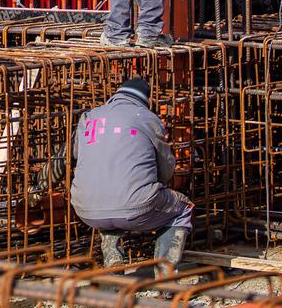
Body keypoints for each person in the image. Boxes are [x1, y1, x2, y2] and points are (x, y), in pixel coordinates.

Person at [70, 76, 192, 271]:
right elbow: (166, 169)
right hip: (135, 205)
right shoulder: (148, 118)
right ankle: (166, 279)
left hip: (85, 208)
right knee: (182, 208)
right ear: (145, 100)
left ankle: (112, 259)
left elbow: (76, 154)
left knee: (108, 197)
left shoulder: (89, 117)